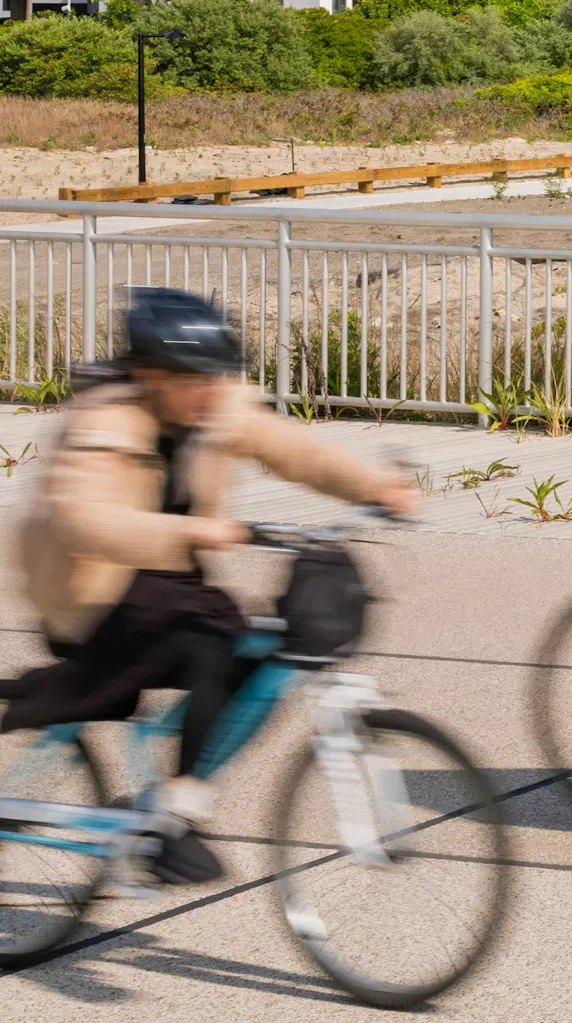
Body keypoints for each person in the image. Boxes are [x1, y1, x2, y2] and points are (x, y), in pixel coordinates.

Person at [4, 289, 418, 884]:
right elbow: (83, 521)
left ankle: (172, 792)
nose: (209, 392)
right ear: (149, 375)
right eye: (192, 380)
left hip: (164, 585)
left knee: (263, 658)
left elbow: (294, 451)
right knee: (208, 648)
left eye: (218, 378)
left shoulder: (211, 404)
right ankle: (174, 816)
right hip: (89, 593)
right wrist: (196, 529)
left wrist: (378, 488)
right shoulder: (100, 422)